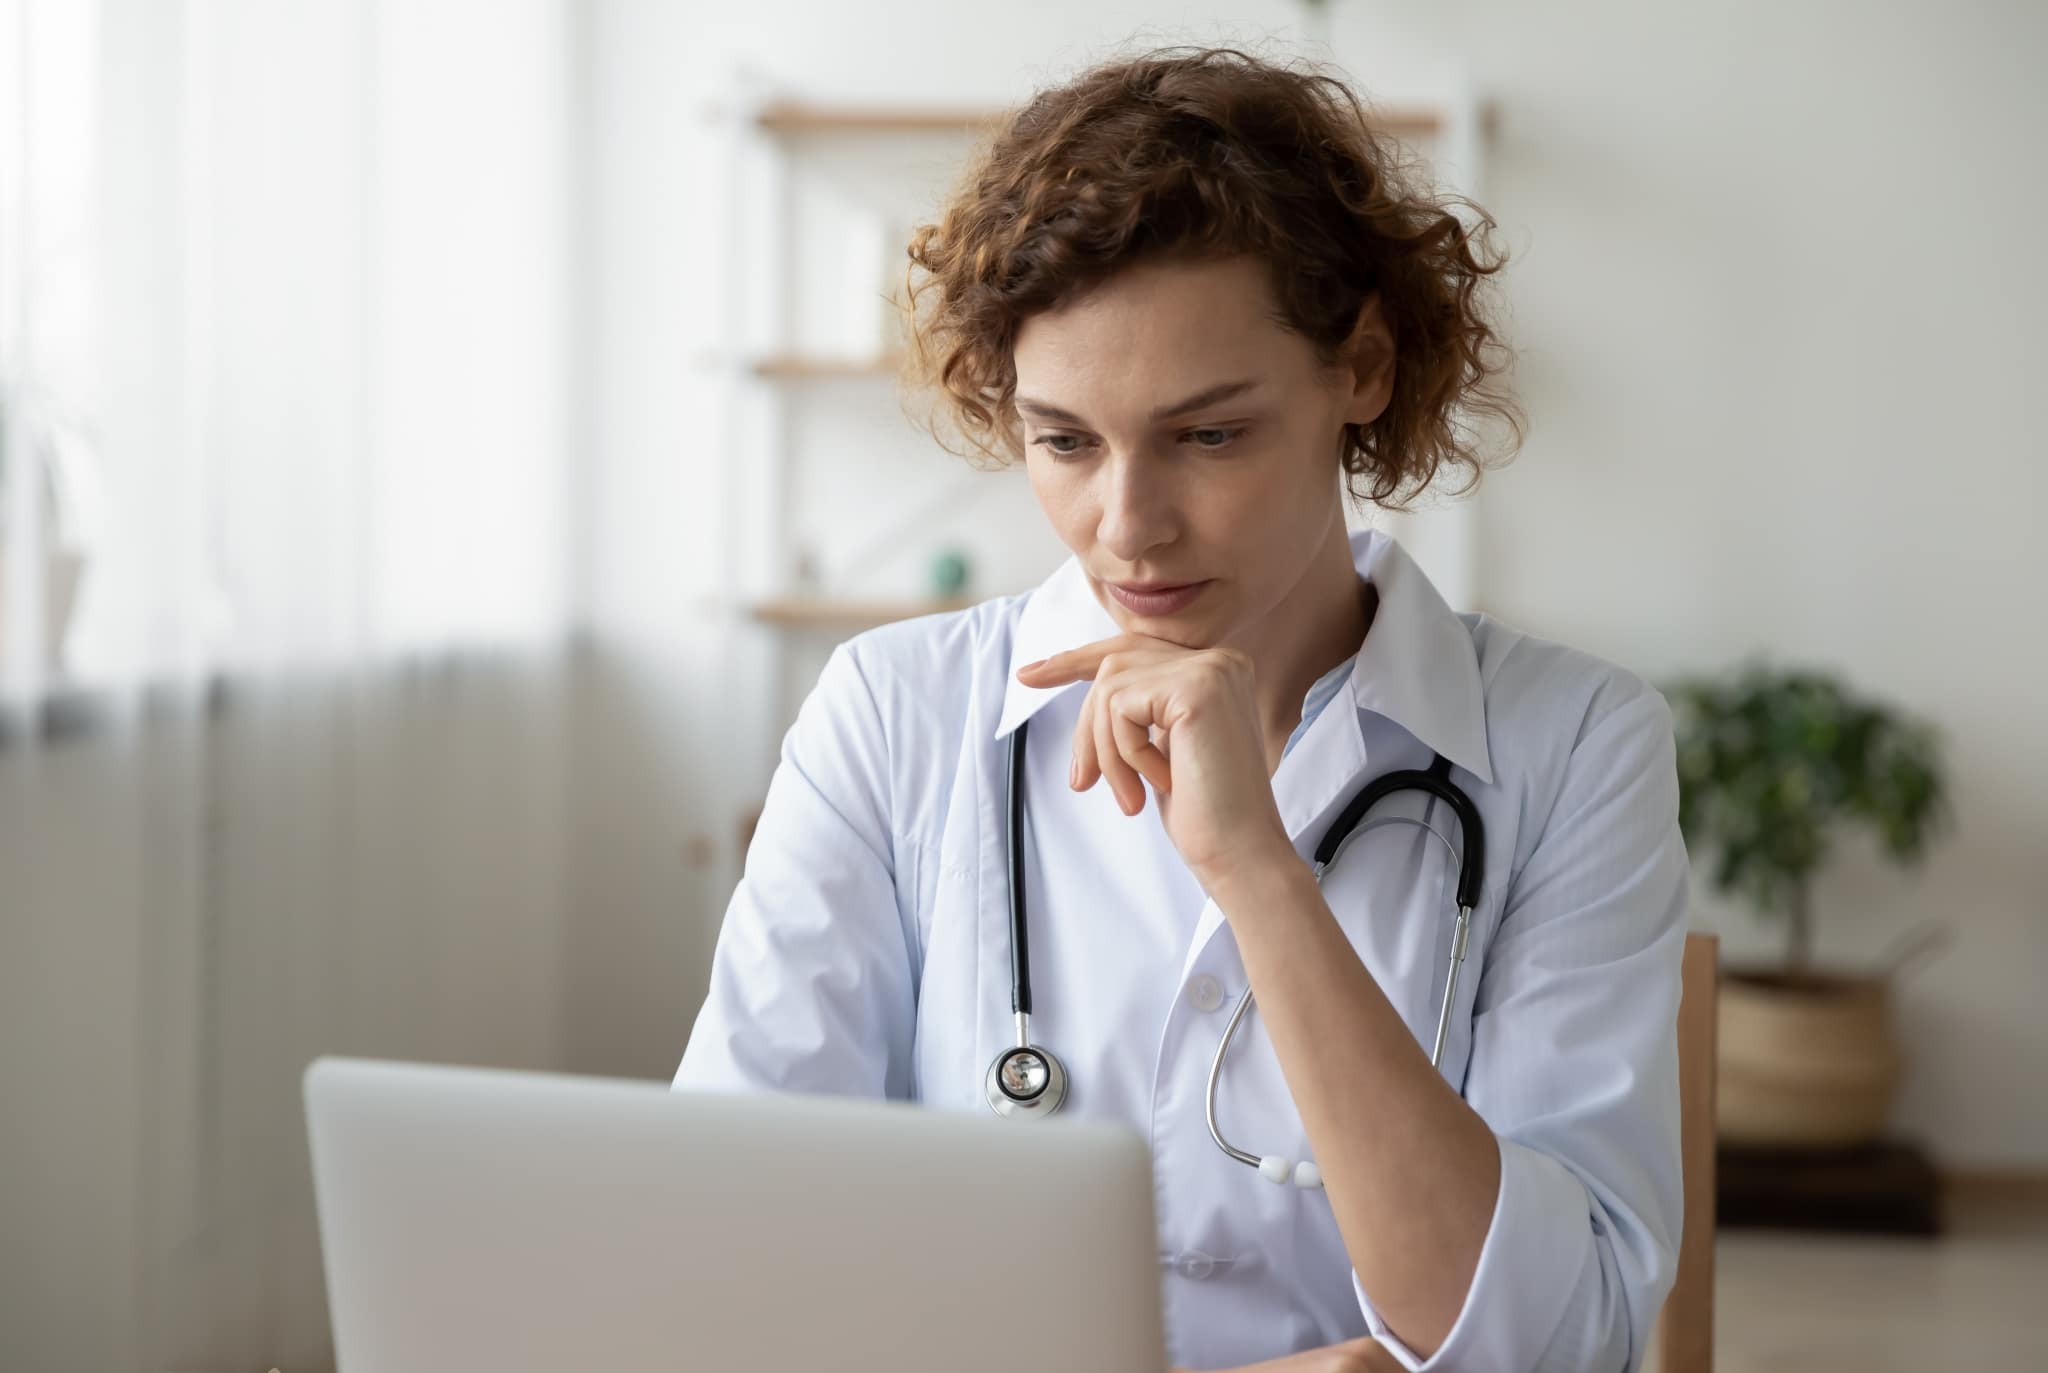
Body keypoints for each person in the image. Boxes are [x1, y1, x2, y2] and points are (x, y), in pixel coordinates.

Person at [675, 44, 1688, 1373]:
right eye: (1065, 441)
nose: (1128, 527)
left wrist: (1259, 873)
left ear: (1363, 369)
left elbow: (1557, 1340)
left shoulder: (1574, 746)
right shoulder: (891, 716)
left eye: (1209, 435)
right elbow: (721, 1261)